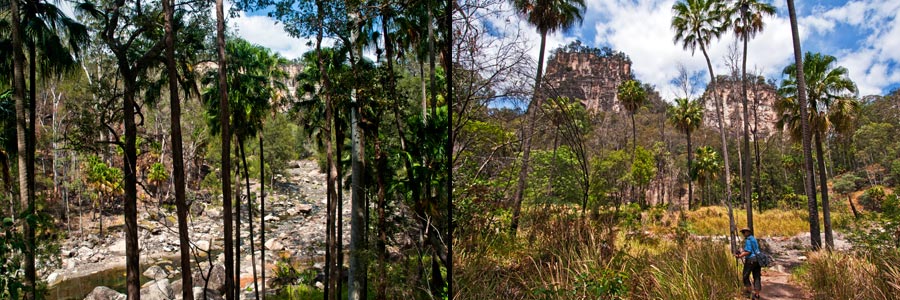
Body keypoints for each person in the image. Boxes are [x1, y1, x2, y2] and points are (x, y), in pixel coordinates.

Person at [735, 227, 761, 299]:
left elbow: (748, 252)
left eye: (744, 232)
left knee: (745, 276)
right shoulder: (753, 239)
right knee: (756, 276)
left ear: (748, 232)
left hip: (750, 260)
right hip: (757, 259)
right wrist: (742, 250)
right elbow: (752, 249)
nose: (743, 234)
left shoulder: (748, 240)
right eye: (743, 232)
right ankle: (757, 295)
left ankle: (749, 292)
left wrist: (739, 256)